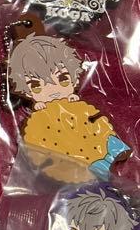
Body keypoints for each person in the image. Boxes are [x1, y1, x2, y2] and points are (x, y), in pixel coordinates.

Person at [8, 33, 129, 181]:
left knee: (103, 138)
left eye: (62, 79)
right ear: (25, 91)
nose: (52, 89)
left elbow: (95, 120)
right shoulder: (38, 120)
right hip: (62, 155)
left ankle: (111, 154)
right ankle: (97, 166)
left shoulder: (78, 106)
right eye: (36, 85)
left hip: (92, 135)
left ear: (74, 78)